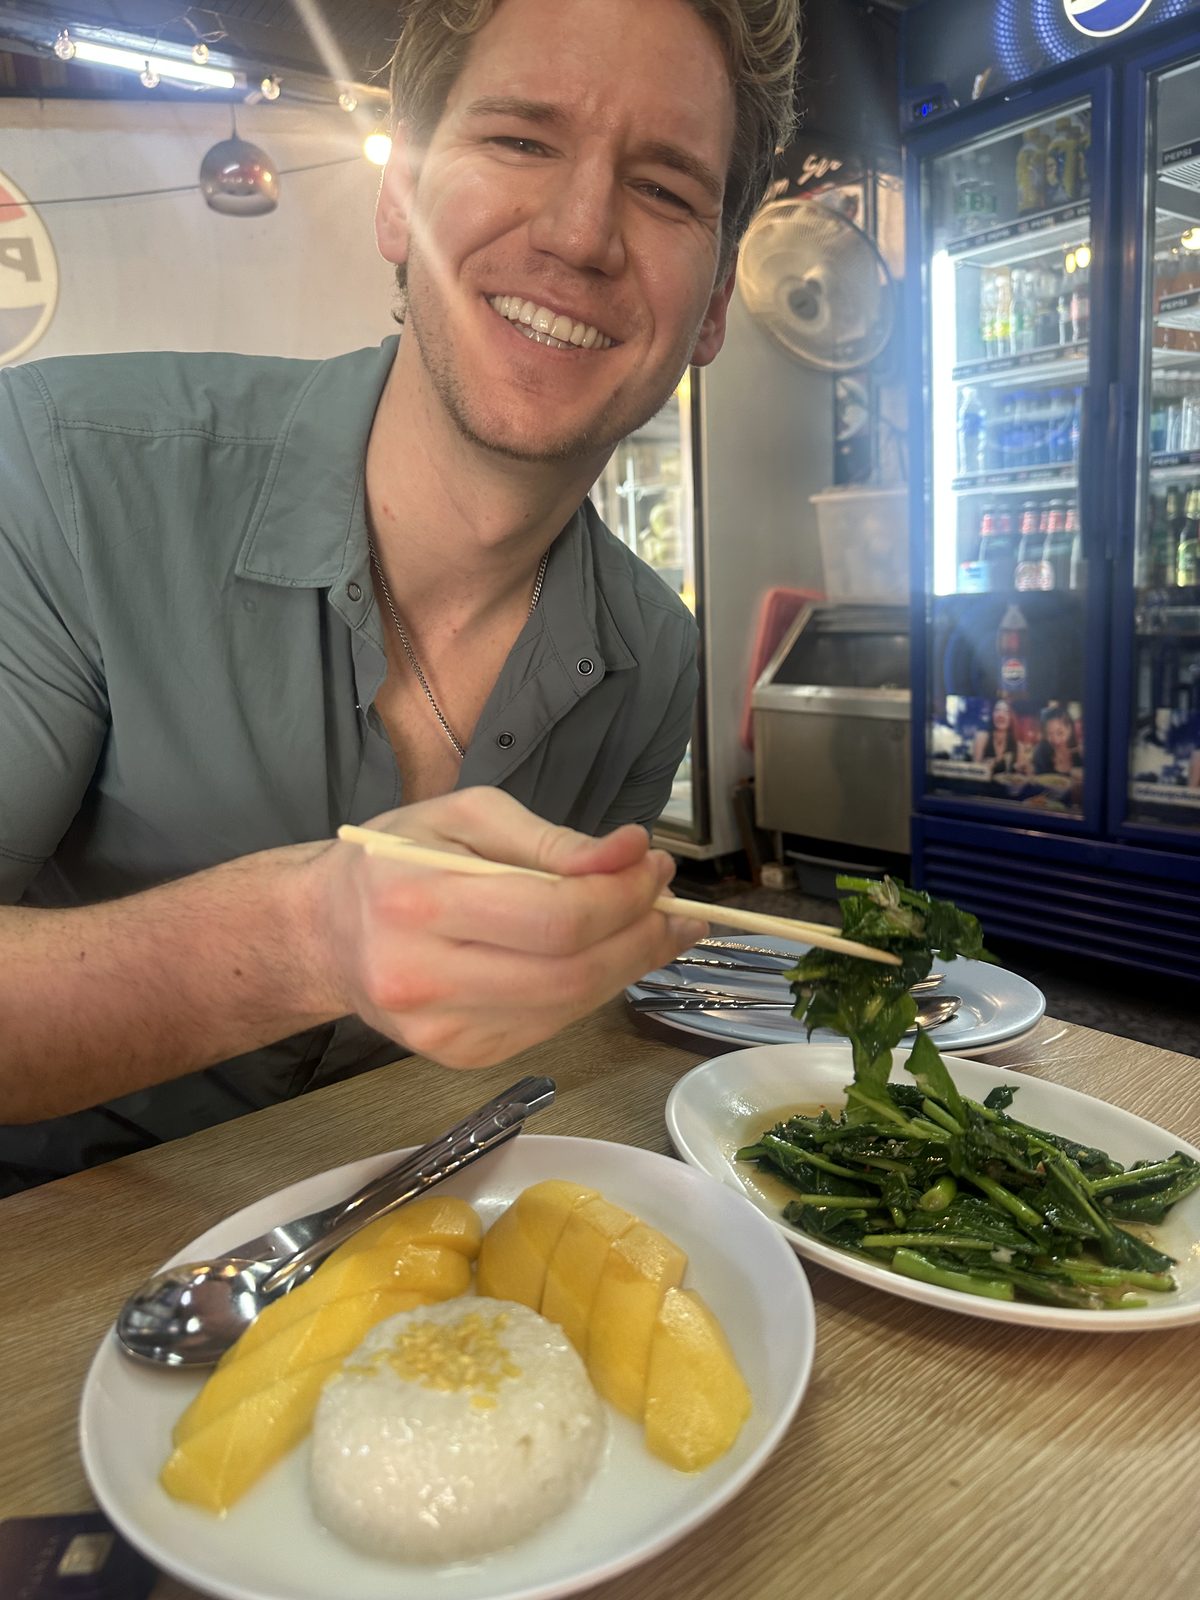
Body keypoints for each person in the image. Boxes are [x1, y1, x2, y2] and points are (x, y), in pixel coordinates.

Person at [0, 0, 801, 1191]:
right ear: (400, 197)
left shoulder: (654, 658)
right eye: (522, 140)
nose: (582, 234)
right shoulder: (60, 468)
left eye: (667, 188)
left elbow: (517, 1063)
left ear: (716, 308)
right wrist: (310, 935)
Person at [972, 696, 1021, 776]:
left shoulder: (1017, 745)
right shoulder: (982, 737)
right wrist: (984, 767)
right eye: (997, 710)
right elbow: (975, 771)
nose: (1000, 715)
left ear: (1011, 717)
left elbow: (1021, 777)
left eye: (1006, 712)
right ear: (992, 715)